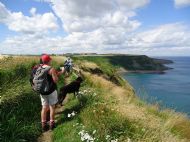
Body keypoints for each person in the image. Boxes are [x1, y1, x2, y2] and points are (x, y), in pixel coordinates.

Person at [39, 54, 64, 131]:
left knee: (44, 107)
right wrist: (58, 74)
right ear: (48, 60)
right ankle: (52, 124)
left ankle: (43, 125)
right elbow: (55, 80)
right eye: (50, 60)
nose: (51, 61)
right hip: (51, 91)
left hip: (42, 91)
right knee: (52, 107)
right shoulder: (51, 69)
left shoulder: (39, 68)